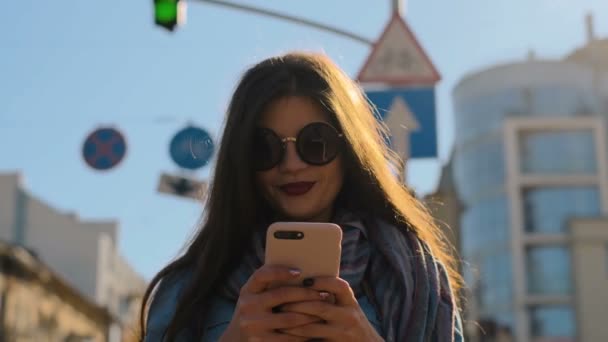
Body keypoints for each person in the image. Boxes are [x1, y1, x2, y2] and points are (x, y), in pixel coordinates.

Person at [140, 52, 464, 341]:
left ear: (350, 150)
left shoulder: (417, 279)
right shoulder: (187, 289)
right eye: (265, 148)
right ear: (241, 160)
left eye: (316, 143)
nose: (292, 165)